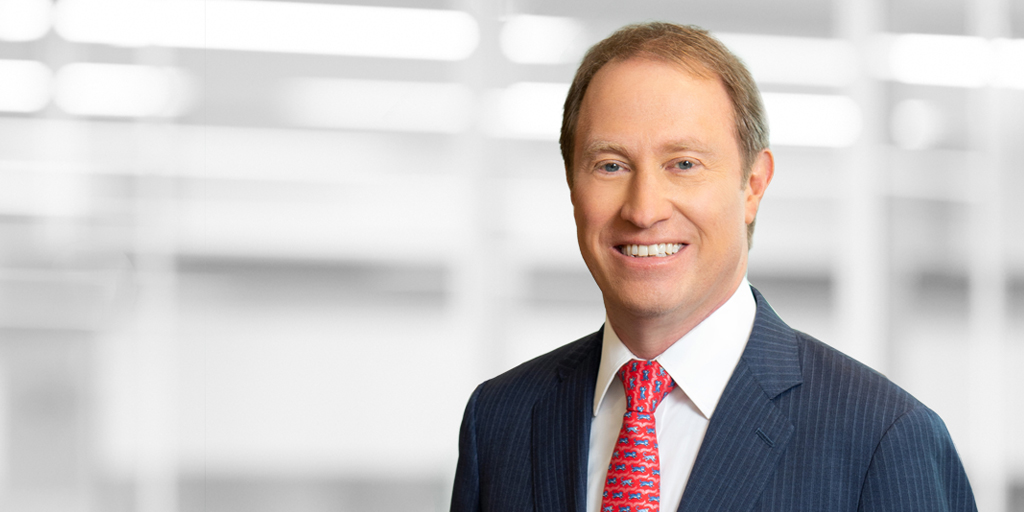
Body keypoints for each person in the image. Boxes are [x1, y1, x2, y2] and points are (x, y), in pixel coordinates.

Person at [451, 22, 976, 512]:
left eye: (684, 164)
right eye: (611, 165)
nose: (644, 209)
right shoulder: (499, 420)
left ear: (753, 185)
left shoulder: (884, 438)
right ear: (572, 185)